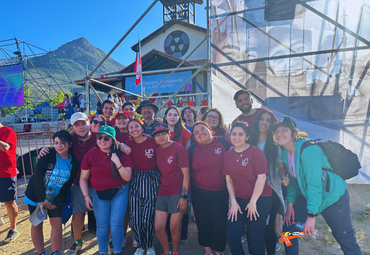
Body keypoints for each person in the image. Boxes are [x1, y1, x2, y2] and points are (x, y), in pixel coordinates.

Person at [38, 112, 131, 255]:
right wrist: (45, 150)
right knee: (78, 213)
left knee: (111, 218)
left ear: (89, 123)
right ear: (72, 127)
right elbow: (58, 145)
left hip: (103, 184)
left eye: (83, 123)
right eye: (76, 124)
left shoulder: (97, 136)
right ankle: (77, 241)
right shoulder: (70, 138)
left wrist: (122, 144)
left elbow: (111, 139)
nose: (80, 127)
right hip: (79, 180)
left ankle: (112, 242)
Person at [271, 117, 362, 255]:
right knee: (288, 232)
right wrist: (290, 206)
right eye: (276, 131)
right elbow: (293, 183)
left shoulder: (308, 150)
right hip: (309, 196)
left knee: (344, 237)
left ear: (294, 133)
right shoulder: (285, 152)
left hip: (332, 198)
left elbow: (314, 184)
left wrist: (311, 216)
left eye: (284, 130)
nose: (279, 134)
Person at [80, 125, 133, 255]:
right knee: (102, 225)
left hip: (119, 191)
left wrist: (117, 163)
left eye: (106, 138)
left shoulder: (121, 154)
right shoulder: (90, 155)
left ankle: (117, 251)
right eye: (99, 137)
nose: (102, 140)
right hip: (99, 193)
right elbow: (83, 178)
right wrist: (86, 196)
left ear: (113, 140)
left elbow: (127, 177)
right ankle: (103, 252)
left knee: (116, 223)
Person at [24, 130, 79, 255]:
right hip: (36, 196)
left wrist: (57, 200)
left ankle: (55, 252)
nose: (59, 146)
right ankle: (41, 252)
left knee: (57, 224)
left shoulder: (73, 162)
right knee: (37, 224)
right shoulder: (47, 154)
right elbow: (37, 177)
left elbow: (67, 185)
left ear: (70, 144)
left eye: (62, 143)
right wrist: (42, 200)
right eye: (56, 143)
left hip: (55, 198)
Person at [224, 121, 272, 255]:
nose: (236, 137)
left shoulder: (255, 152)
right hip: (239, 199)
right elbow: (228, 180)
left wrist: (253, 202)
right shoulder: (228, 155)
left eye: (240, 134)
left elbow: (261, 178)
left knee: (255, 236)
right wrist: (233, 202)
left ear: (247, 136)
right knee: (232, 234)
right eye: (234, 134)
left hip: (260, 199)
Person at [249, 109, 288, 254]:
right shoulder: (249, 141)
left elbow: (281, 166)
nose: (264, 122)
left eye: (268, 120)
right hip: (251, 190)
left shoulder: (275, 145)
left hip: (271, 190)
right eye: (262, 119)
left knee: (270, 225)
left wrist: (284, 177)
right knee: (255, 226)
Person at [190, 122, 230, 255]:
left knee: (220, 224)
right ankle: (207, 250)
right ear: (194, 137)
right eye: (196, 132)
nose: (200, 133)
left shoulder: (224, 142)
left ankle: (219, 251)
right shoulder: (192, 149)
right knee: (203, 222)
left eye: (203, 129)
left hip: (221, 192)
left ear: (210, 130)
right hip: (199, 192)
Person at [152, 123, 190, 255]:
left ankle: (175, 252)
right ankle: (166, 252)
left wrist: (184, 197)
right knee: (158, 227)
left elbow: (186, 174)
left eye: (164, 134)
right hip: (163, 192)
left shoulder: (178, 148)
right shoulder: (157, 150)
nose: (161, 137)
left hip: (177, 192)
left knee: (174, 227)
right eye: (158, 135)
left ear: (169, 135)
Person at [126, 118, 160, 255]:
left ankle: (149, 245)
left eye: (136, 126)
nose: (134, 129)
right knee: (135, 219)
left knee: (148, 217)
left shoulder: (153, 140)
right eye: (131, 127)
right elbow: (113, 145)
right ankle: (140, 245)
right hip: (135, 179)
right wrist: (121, 145)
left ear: (142, 128)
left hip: (152, 179)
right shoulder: (128, 143)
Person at [0, 120, 20, 243]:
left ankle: (13, 229)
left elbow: (5, 147)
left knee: (9, 202)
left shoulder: (8, 131)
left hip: (6, 172)